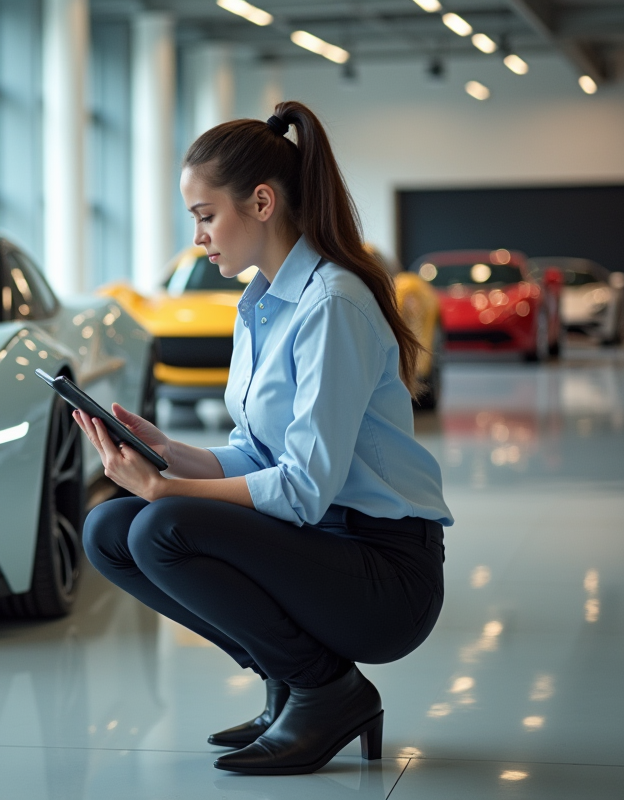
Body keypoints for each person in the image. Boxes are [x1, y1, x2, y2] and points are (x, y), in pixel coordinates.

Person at [73, 101, 452, 776]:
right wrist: (166, 449)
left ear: (262, 202)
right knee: (109, 529)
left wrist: (169, 486)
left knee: (163, 523)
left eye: (205, 216)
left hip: (383, 572)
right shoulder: (264, 302)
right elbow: (258, 454)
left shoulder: (331, 304)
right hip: (324, 546)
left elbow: (303, 491)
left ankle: (324, 689)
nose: (199, 239)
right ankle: (289, 677)